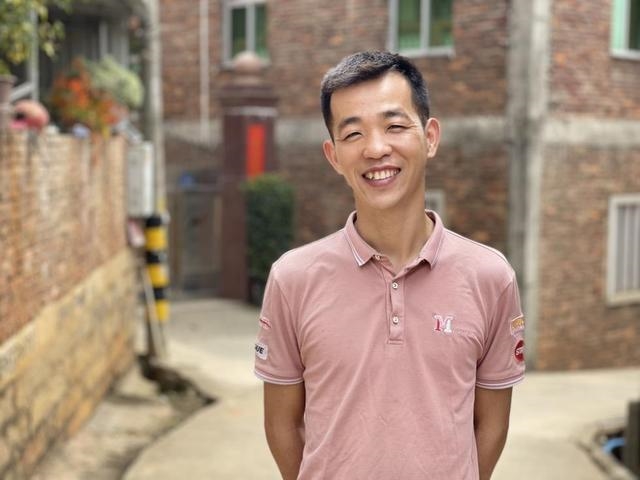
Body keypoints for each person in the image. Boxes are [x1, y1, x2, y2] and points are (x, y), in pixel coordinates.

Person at [254, 51, 525, 480]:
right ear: (334, 155)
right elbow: (282, 425)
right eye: (353, 134)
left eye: (395, 126)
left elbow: (490, 425)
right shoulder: (293, 279)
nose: (376, 149)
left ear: (430, 137)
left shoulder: (490, 277)